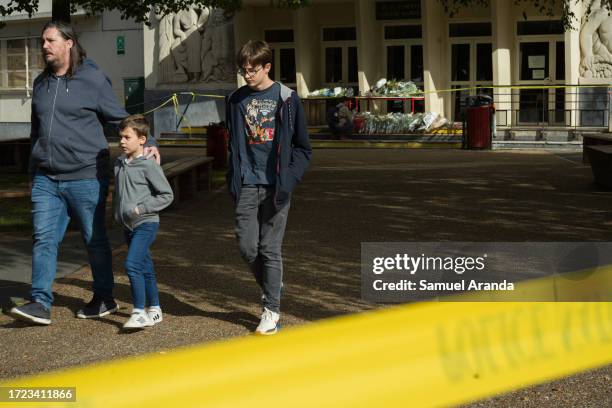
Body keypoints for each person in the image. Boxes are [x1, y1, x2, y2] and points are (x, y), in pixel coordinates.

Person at [10, 21, 160, 326]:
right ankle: (40, 301)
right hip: (46, 178)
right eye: (42, 41)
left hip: (86, 175)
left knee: (94, 240)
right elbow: (36, 130)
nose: (44, 46)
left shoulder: (92, 79)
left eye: (50, 40)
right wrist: (31, 169)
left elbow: (120, 118)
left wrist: (150, 141)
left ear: (69, 43)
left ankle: (104, 297)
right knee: (44, 239)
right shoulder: (41, 83)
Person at [226, 40, 312, 335]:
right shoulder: (236, 100)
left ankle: (271, 310)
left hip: (277, 185)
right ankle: (274, 285)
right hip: (247, 184)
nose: (247, 75)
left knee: (269, 249)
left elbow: (303, 148)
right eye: (243, 70)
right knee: (247, 247)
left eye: (252, 70)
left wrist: (289, 179)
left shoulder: (287, 99)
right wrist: (233, 178)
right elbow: (232, 144)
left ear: (267, 67)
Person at [114, 115, 173, 330]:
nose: (122, 141)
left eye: (127, 137)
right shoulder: (120, 162)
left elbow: (166, 195)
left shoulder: (148, 165)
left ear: (142, 140)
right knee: (145, 266)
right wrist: (119, 214)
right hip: (127, 225)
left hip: (146, 222)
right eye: (120, 137)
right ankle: (155, 309)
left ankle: (139, 312)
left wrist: (141, 209)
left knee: (132, 264)